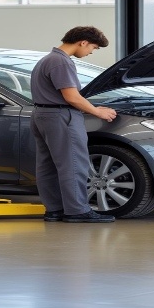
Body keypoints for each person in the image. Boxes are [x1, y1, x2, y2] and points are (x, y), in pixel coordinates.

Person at [30, 26, 118, 223]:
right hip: (61, 117)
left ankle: (55, 209)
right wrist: (97, 111)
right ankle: (77, 210)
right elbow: (72, 97)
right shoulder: (61, 62)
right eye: (93, 48)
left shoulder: (47, 59)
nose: (90, 53)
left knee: (48, 165)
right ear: (83, 42)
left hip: (41, 114)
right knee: (73, 164)